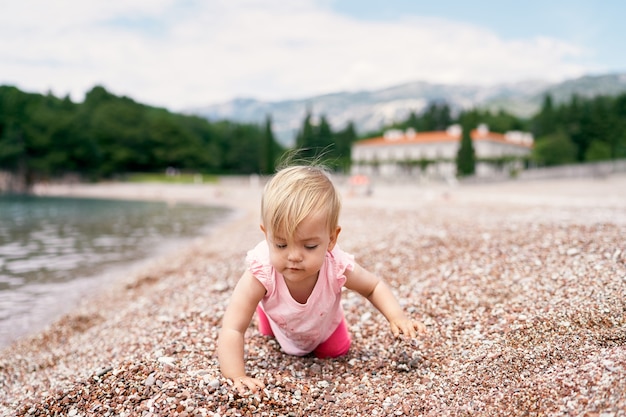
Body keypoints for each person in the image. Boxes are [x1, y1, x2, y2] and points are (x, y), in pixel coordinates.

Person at [217, 165, 426, 393]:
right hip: (281, 321)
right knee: (266, 330)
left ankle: (282, 319)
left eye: (309, 246)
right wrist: (236, 375)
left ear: (331, 239)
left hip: (325, 326)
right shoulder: (262, 271)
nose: (294, 256)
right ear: (266, 235)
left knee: (336, 352)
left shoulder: (335, 265)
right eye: (281, 244)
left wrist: (397, 317)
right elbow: (233, 327)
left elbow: (373, 286)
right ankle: (266, 315)